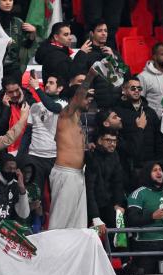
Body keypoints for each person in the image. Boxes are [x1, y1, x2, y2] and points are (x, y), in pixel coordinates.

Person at [48, 67, 97, 229]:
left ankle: (73, 255)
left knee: (78, 225)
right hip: (65, 174)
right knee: (60, 223)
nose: (89, 100)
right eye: (86, 97)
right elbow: (77, 97)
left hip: (78, 175)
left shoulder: (77, 121)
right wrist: (90, 76)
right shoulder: (66, 114)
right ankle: (54, 254)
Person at [26, 72, 67, 201]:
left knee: (57, 195)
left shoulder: (64, 104)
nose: (47, 85)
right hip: (35, 156)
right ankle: (35, 221)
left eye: (51, 83)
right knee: (33, 195)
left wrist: (37, 88)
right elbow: (28, 134)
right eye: (47, 83)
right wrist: (22, 157)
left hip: (54, 157)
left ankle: (56, 220)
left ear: (60, 88)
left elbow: (53, 107)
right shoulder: (35, 106)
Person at [0, 0, 37, 91]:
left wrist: (33, 33)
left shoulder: (18, 22)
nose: (8, 3)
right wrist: (3, 42)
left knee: (15, 97)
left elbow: (27, 45)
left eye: (10, 0)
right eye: (4, 0)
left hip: (13, 66)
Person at [115, 76, 160, 190]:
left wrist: (160, 163)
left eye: (139, 88)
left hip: (149, 166)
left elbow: (158, 140)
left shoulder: (150, 112)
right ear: (124, 90)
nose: (136, 91)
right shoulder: (117, 112)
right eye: (133, 88)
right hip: (127, 167)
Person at [85, 129, 124, 232]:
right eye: (108, 140)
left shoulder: (115, 156)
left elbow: (118, 182)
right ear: (99, 141)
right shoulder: (91, 156)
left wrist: (118, 204)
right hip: (91, 206)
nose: (112, 144)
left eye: (115, 141)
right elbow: (89, 188)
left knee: (119, 230)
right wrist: (95, 216)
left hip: (108, 203)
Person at [81, 20, 124, 108]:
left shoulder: (113, 53)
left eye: (105, 31)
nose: (104, 33)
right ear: (92, 34)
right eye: (100, 31)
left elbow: (126, 75)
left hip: (117, 103)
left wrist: (113, 59)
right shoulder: (86, 54)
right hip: (95, 105)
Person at [0, 75, 35, 153]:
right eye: (10, 92)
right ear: (5, 92)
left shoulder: (30, 101)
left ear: (20, 88)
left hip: (29, 147)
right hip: (6, 149)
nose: (15, 94)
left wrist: (23, 102)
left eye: (17, 90)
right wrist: (6, 108)